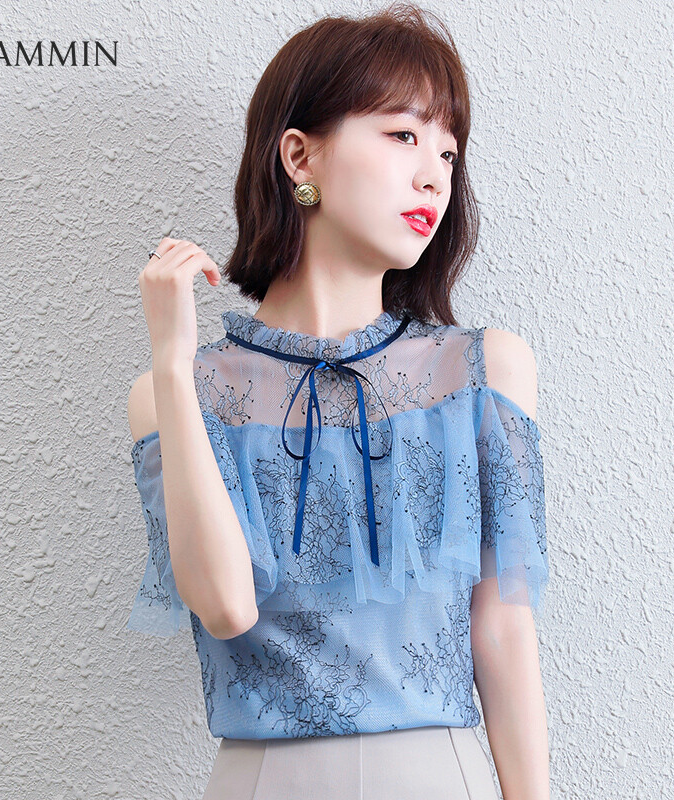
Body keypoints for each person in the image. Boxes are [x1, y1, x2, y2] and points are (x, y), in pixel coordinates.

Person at [126, 3, 551, 799]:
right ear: (299, 155)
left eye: (448, 151)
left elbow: (502, 629)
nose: (435, 175)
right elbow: (224, 606)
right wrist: (175, 366)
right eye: (403, 136)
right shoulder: (176, 393)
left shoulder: (481, 372)